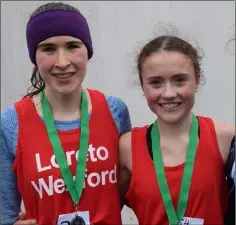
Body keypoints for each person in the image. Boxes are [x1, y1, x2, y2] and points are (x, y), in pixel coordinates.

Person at [0, 2, 131, 225]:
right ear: (34, 56)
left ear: (87, 50)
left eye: (72, 46)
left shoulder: (115, 110)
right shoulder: (11, 122)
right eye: (48, 49)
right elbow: (5, 213)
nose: (62, 62)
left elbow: (130, 190)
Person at [119, 35, 235, 225]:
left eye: (179, 80)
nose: (169, 93)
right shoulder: (127, 148)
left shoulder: (225, 137)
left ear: (196, 81)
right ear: (142, 86)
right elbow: (107, 208)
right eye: (156, 82)